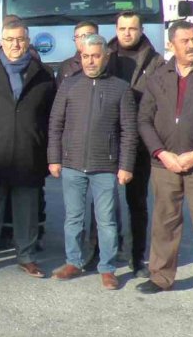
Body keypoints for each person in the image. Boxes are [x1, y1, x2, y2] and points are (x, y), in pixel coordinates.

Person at [135, 20, 193, 312]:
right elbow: (144, 120)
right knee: (165, 221)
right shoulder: (158, 75)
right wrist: (161, 153)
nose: (192, 45)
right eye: (185, 40)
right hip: (165, 164)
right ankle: (161, 276)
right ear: (171, 45)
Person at [47, 34, 137, 290]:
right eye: (85, 56)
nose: (90, 61)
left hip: (106, 167)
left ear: (106, 57)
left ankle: (107, 268)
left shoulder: (120, 88)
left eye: (95, 56)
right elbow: (55, 124)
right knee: (73, 217)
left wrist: (126, 165)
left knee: (106, 220)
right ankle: (73, 261)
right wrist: (54, 158)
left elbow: (129, 131)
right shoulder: (69, 85)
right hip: (72, 164)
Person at [0, 19, 56, 279]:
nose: (15, 45)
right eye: (9, 40)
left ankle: (27, 256)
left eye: (20, 39)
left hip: (29, 151)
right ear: (1, 42)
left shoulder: (42, 74)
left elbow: (51, 116)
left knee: (27, 210)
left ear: (28, 41)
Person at [105, 11, 164, 277]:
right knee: (103, 200)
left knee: (136, 202)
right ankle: (100, 251)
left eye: (133, 28)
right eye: (122, 28)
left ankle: (136, 256)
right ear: (115, 29)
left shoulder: (155, 62)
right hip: (106, 140)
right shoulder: (105, 56)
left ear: (141, 30)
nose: (127, 33)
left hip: (138, 141)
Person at [56, 21, 98, 87]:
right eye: (77, 36)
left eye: (87, 35)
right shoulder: (65, 67)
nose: (82, 39)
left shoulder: (108, 62)